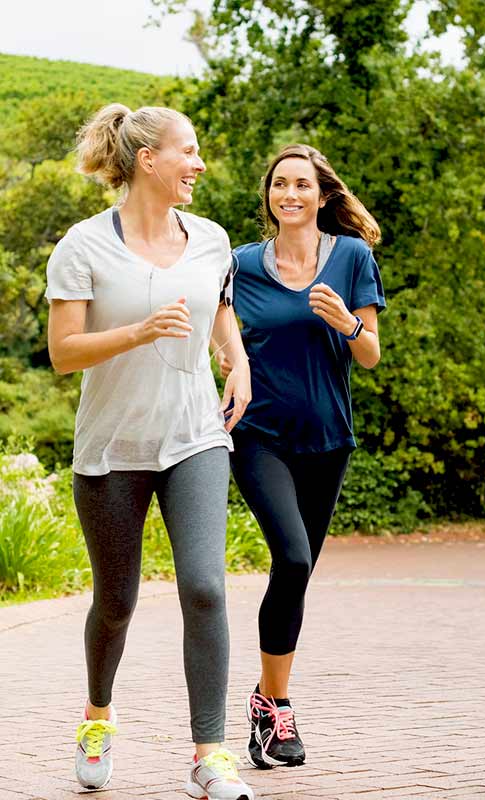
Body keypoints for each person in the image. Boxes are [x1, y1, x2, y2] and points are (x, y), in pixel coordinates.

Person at [46, 103, 254, 800]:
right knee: (116, 602)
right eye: (188, 152)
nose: (198, 164)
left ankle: (211, 753)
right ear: (148, 161)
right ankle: (98, 715)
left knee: (204, 585)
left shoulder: (211, 239)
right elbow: (63, 352)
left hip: (195, 436)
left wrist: (238, 363)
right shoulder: (83, 246)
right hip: (111, 450)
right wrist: (136, 332)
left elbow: (222, 313)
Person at [221, 144, 385, 771]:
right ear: (269, 196)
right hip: (256, 433)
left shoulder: (351, 258)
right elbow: (221, 324)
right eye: (280, 184)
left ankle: (264, 701)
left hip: (328, 439)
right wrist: (230, 359)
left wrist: (346, 321)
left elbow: (370, 354)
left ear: (322, 195)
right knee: (290, 555)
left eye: (302, 184)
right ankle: (279, 707)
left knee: (297, 572)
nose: (290, 194)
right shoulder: (239, 264)